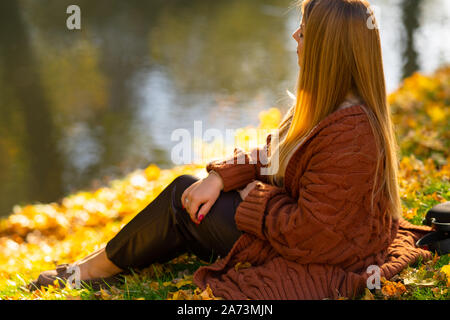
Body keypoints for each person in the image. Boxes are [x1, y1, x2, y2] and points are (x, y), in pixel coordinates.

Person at [29, 0, 433, 299]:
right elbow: (272, 155)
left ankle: (90, 270)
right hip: (300, 234)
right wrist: (221, 177)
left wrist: (249, 198)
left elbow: (316, 236)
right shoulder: (329, 106)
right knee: (193, 191)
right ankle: (98, 261)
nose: (295, 37)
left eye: (304, 31)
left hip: (321, 256)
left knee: (179, 200)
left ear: (327, 49)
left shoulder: (351, 136)